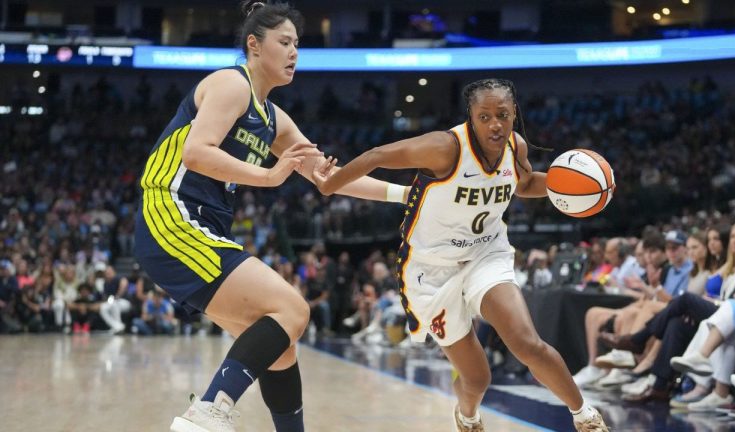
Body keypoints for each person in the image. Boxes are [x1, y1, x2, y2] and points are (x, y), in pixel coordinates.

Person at [132, 2, 407, 432]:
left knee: (282, 344)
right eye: (285, 42)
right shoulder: (230, 83)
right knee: (293, 309)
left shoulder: (274, 119)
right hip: (171, 213)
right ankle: (207, 411)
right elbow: (196, 152)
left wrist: (408, 196)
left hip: (201, 224)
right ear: (254, 46)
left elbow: (329, 177)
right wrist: (269, 175)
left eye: (298, 43)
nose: (295, 52)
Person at [314, 78, 608, 431]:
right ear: (471, 116)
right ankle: (467, 416)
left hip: (486, 253)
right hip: (429, 270)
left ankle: (585, 416)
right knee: (477, 378)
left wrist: (568, 185)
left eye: (502, 114)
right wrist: (331, 184)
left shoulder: (516, 148)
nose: (494, 124)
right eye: (484, 116)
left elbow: (525, 184)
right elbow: (378, 156)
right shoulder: (444, 147)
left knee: (527, 343)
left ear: (514, 113)